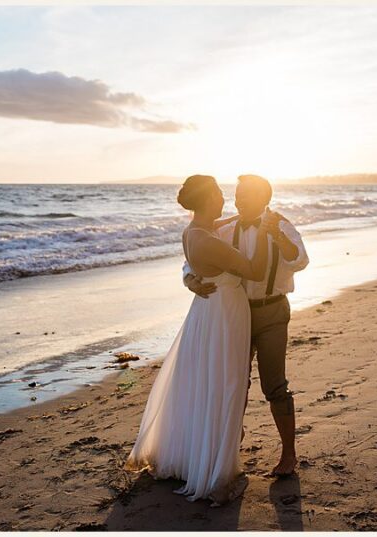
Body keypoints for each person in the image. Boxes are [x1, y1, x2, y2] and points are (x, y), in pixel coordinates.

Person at [126, 174, 277, 504]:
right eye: (219, 194)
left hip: (205, 312)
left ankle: (194, 457)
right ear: (208, 199)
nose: (224, 199)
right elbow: (253, 270)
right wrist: (265, 233)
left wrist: (190, 278)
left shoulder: (192, 232)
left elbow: (194, 260)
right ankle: (214, 472)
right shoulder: (209, 241)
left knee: (202, 383)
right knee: (225, 384)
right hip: (224, 313)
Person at [183, 174, 308, 476]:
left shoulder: (281, 224)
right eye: (237, 195)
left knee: (274, 385)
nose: (238, 200)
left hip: (271, 313)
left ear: (264, 198)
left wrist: (276, 237)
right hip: (234, 314)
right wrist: (189, 280)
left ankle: (288, 455)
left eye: (245, 195)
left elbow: (301, 260)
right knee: (234, 383)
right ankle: (229, 448)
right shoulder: (222, 228)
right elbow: (194, 258)